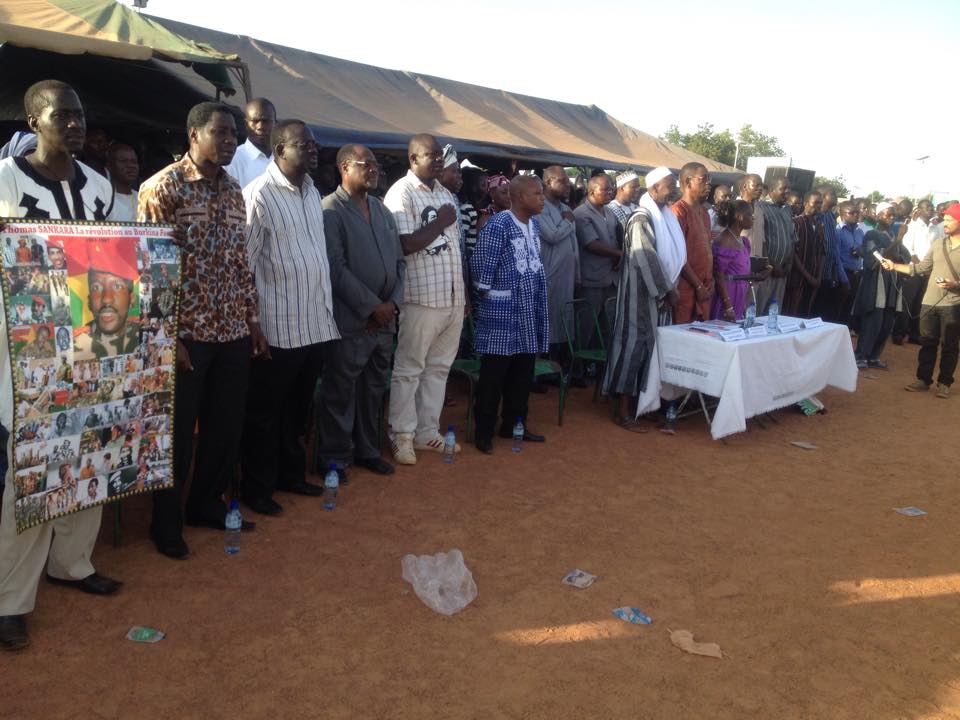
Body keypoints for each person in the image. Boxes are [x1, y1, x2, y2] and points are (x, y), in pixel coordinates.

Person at [0, 79, 120, 653]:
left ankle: (72, 562)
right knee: (31, 469)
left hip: (93, 337)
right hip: (29, 348)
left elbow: (115, 261)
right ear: (33, 120)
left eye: (80, 114)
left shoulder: (97, 185)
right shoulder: (3, 181)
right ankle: (9, 599)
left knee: (88, 452)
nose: (74, 124)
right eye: (61, 116)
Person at [139, 101, 268, 558]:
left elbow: (241, 261)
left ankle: (205, 505)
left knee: (224, 428)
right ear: (193, 135)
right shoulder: (163, 187)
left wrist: (252, 319)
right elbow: (149, 268)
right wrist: (166, 337)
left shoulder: (235, 190)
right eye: (221, 132)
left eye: (234, 134)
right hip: (186, 332)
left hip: (231, 327)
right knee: (176, 437)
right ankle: (166, 522)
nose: (231, 140)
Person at [239, 120, 340, 517]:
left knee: (298, 409)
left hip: (314, 321)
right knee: (265, 413)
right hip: (277, 325)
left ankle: (290, 475)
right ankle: (257, 488)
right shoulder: (259, 195)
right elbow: (243, 266)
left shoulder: (313, 192)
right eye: (304, 145)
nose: (313, 150)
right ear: (280, 150)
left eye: (315, 144)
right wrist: (252, 323)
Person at [318, 143, 404, 477]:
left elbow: (399, 263)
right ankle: (336, 457)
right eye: (364, 164)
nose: (373, 169)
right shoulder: (330, 211)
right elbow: (335, 268)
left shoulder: (382, 211)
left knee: (372, 390)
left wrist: (392, 303)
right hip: (352, 321)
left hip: (384, 324)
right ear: (344, 169)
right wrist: (372, 307)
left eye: (375, 164)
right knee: (340, 392)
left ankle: (368, 450)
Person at [383, 134, 466, 465]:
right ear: (412, 160)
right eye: (428, 155)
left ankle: (425, 432)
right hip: (420, 296)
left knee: (439, 368)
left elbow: (456, 249)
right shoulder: (400, 193)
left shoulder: (446, 193)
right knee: (408, 369)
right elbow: (404, 243)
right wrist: (441, 222)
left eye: (438, 155)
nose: (436, 160)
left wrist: (463, 295)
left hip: (451, 297)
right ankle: (400, 434)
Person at [469, 175, 549, 453]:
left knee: (522, 374)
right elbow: (480, 264)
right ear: (519, 197)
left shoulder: (533, 225)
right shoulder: (499, 224)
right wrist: (489, 293)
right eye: (537, 193)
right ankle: (484, 433)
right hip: (501, 314)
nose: (542, 198)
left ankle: (515, 425)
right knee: (494, 377)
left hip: (527, 313)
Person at [603, 167, 681, 432]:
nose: (675, 189)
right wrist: (668, 289)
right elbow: (644, 256)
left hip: (658, 298)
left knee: (652, 353)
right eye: (671, 184)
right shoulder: (641, 218)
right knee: (632, 349)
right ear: (654, 189)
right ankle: (623, 411)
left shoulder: (664, 216)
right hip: (639, 297)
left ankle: (644, 405)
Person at [881, 203, 960, 398]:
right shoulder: (938, 244)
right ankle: (923, 379)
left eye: (950, 220)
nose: (945, 223)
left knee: (949, 345)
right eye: (946, 219)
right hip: (929, 301)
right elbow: (920, 268)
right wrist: (894, 266)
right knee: (927, 342)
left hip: (953, 303)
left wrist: (955, 284)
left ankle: (944, 383)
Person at [851, 202, 909, 369]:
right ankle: (861, 355)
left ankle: (874, 356)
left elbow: (904, 257)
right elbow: (878, 259)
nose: (891, 218)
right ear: (878, 215)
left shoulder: (891, 234)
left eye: (893, 215)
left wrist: (898, 243)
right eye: (887, 214)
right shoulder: (871, 235)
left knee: (887, 323)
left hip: (893, 283)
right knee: (873, 322)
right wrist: (898, 240)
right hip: (877, 284)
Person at [536, 166, 579, 367]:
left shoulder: (566, 210)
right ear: (548, 183)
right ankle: (539, 369)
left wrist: (577, 274)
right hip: (549, 274)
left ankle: (555, 368)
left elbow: (574, 247)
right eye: (562, 181)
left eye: (567, 180)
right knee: (546, 321)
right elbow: (551, 235)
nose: (567, 184)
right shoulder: (539, 207)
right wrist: (567, 223)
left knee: (563, 321)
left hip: (567, 276)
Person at [574, 173, 621, 351]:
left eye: (611, 189)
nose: (610, 192)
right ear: (591, 191)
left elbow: (615, 239)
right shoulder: (581, 213)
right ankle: (578, 369)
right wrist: (619, 254)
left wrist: (618, 255)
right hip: (591, 280)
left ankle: (598, 370)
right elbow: (591, 244)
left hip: (610, 279)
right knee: (585, 328)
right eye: (605, 189)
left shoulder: (609, 212)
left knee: (606, 328)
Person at [71, 245, 140, 360]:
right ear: (89, 302)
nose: (107, 299)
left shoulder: (144, 333)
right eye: (96, 288)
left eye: (117, 286)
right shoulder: (72, 345)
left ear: (131, 298)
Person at [671, 163, 714, 323]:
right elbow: (678, 256)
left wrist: (710, 281)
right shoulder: (678, 211)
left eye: (710, 179)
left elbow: (708, 250)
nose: (708, 183)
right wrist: (697, 286)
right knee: (684, 340)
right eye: (704, 179)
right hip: (686, 289)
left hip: (704, 289)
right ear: (688, 182)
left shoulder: (704, 212)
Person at [712, 200, 767, 320]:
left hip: (740, 294)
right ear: (739, 217)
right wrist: (727, 306)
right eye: (750, 215)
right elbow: (718, 275)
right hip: (728, 293)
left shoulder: (744, 241)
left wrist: (761, 273)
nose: (753, 218)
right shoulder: (725, 241)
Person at [750, 177, 799, 315]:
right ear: (771, 190)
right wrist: (772, 264)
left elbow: (792, 238)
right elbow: (761, 240)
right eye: (783, 189)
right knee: (759, 313)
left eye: (789, 189)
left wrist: (789, 264)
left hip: (783, 272)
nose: (787, 192)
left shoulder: (787, 210)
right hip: (767, 271)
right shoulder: (760, 207)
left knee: (773, 314)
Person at [893, 199, 936, 345]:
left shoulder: (933, 228)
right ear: (919, 209)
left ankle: (914, 334)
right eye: (927, 207)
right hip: (913, 270)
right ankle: (899, 333)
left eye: (931, 207)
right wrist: (922, 267)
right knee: (907, 304)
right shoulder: (912, 227)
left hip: (927, 272)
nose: (931, 209)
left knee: (920, 304)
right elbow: (908, 250)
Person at [784, 191, 827, 317]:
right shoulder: (796, 223)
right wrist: (808, 277)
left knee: (806, 314)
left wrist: (818, 277)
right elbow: (793, 253)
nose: (818, 206)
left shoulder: (819, 226)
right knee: (792, 314)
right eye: (815, 203)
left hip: (814, 278)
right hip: (798, 279)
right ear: (806, 203)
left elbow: (821, 252)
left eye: (820, 203)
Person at [224, 98, 276, 188]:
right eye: (255, 121)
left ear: (275, 123)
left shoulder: (284, 158)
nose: (260, 126)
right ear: (245, 124)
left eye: (266, 121)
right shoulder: (233, 160)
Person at [836, 201, 865, 326]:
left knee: (848, 309)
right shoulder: (838, 231)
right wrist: (844, 280)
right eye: (851, 213)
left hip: (856, 274)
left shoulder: (859, 232)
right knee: (837, 310)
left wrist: (860, 251)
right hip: (842, 275)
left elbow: (865, 251)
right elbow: (836, 258)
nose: (855, 215)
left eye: (857, 212)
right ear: (842, 214)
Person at [105, 143, 139, 222]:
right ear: (109, 166)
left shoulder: (142, 198)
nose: (131, 166)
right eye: (123, 161)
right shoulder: (105, 201)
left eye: (134, 161)